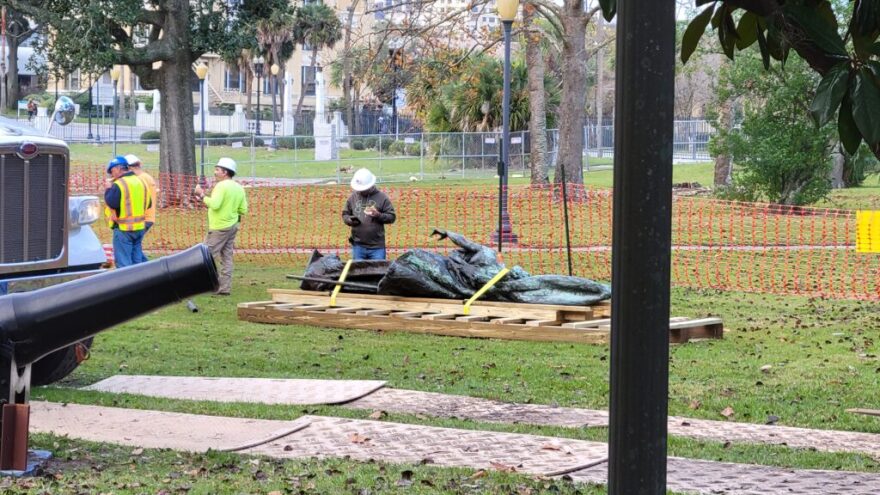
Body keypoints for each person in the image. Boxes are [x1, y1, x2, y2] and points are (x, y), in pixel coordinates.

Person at [194, 157, 248, 296]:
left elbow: (215, 204)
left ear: (225, 172)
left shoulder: (221, 186)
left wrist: (201, 195)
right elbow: (243, 210)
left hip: (219, 228)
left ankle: (200, 285)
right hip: (232, 226)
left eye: (217, 169)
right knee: (227, 257)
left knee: (206, 257)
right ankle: (224, 288)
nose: (215, 172)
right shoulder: (238, 187)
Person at [104, 155, 150, 268]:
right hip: (139, 228)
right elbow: (149, 203)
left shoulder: (119, 184)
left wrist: (108, 189)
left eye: (112, 171)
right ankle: (141, 284)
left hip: (123, 229)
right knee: (137, 263)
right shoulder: (141, 182)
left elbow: (111, 202)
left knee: (124, 265)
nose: (111, 174)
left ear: (119, 169)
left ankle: (129, 284)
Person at [342, 168, 396, 260]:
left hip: (377, 247)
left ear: (370, 185)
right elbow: (345, 214)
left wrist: (378, 215)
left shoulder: (382, 198)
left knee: (377, 273)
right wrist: (349, 220)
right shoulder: (353, 198)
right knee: (359, 273)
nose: (361, 191)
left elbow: (392, 217)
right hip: (358, 246)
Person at [125, 154, 158, 263]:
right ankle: (150, 268)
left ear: (129, 167)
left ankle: (147, 269)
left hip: (141, 218)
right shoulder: (147, 177)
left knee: (133, 247)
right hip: (149, 217)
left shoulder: (138, 180)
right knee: (135, 246)